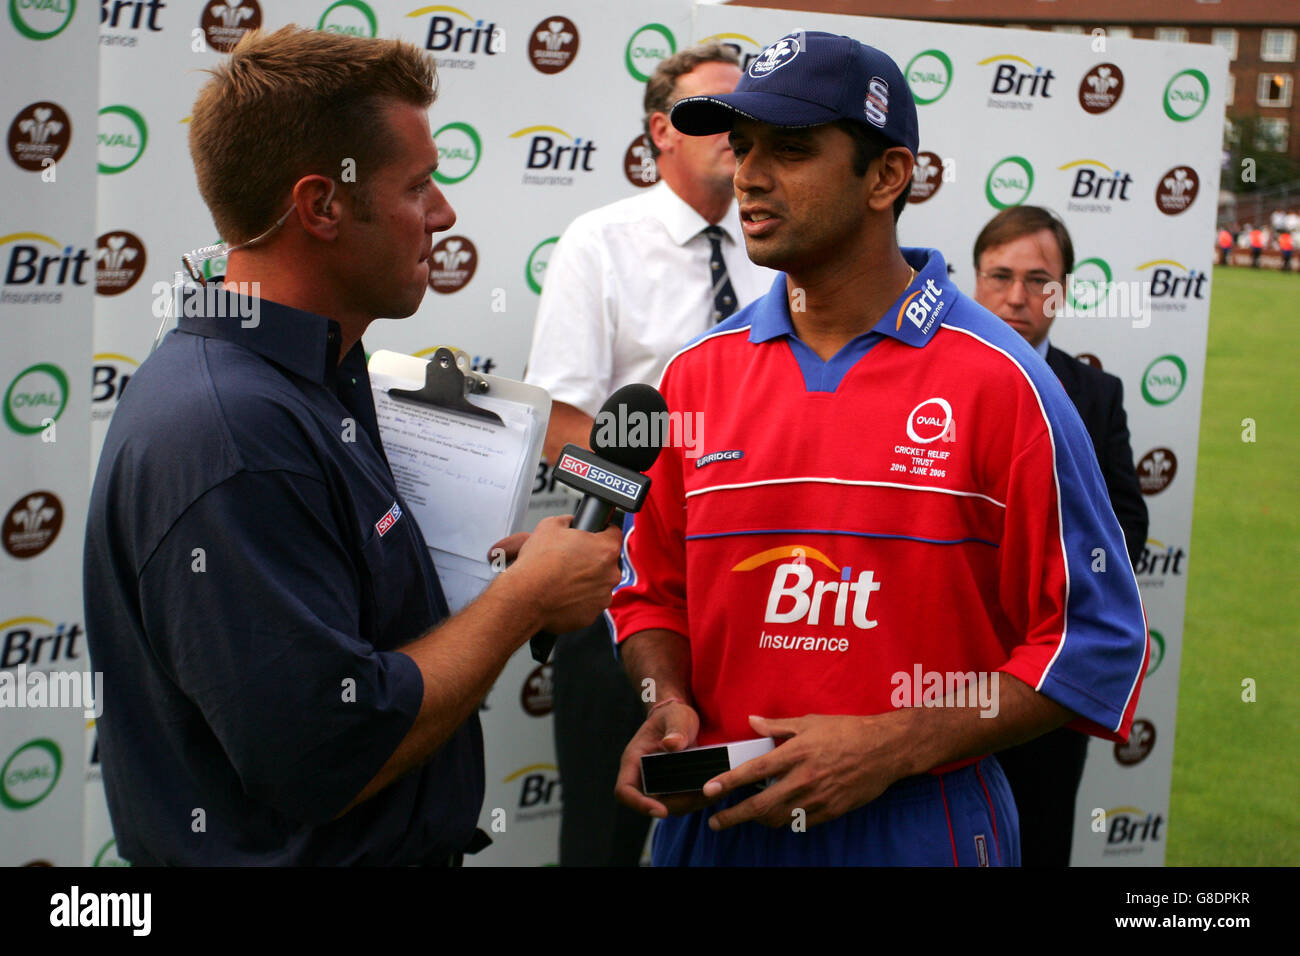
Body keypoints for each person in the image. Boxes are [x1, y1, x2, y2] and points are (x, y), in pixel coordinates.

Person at [82, 26, 622, 866]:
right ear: (322, 205)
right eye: (419, 185)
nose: (443, 213)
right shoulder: (234, 433)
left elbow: (348, 637)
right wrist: (525, 607)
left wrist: (496, 589)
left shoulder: (317, 378)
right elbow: (323, 751)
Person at [607, 30, 1148, 866]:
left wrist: (894, 743)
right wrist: (664, 695)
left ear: (887, 176)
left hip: (916, 822)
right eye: (742, 146)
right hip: (713, 822)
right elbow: (649, 596)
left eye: (790, 148)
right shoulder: (694, 377)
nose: (749, 173)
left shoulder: (1003, 383)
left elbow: (1098, 643)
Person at [522, 43, 775, 866]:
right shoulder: (600, 241)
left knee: (746, 819)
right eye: (709, 113)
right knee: (605, 835)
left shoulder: (779, 249)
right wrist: (642, 518)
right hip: (625, 586)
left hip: (758, 592)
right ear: (660, 131)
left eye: (746, 113)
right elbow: (565, 427)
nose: (733, 131)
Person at [972, 205, 1148, 866]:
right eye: (1001, 276)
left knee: (1040, 842)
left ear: (1063, 290)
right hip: (936, 678)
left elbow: (1127, 523)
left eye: (1038, 279)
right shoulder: (925, 381)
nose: (1017, 296)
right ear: (975, 281)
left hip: (1049, 676)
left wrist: (1057, 605)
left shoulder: (1096, 394)